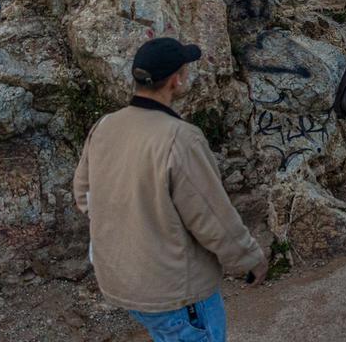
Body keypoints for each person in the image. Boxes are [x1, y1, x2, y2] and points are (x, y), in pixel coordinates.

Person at [73, 38, 268, 341]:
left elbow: (85, 195)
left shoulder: (105, 126)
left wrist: (140, 224)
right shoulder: (180, 138)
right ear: (177, 80)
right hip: (176, 291)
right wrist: (249, 260)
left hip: (123, 281)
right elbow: (212, 218)